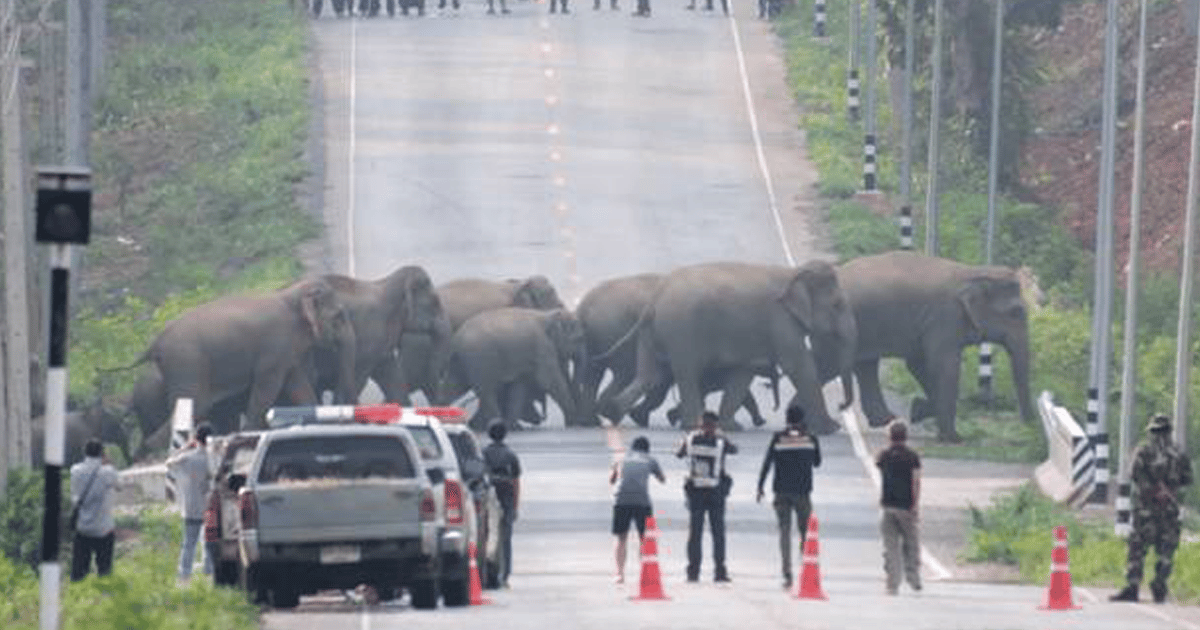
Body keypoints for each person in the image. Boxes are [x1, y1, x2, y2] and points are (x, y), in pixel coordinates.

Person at [1111, 414, 1194, 603]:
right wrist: (1170, 492)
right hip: (1169, 511)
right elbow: (1188, 481)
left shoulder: (1144, 451)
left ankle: (1133, 586)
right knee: (1166, 551)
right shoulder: (1179, 454)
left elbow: (1135, 475)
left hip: (1145, 510)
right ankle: (1159, 584)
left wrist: (1153, 491)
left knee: (1137, 548)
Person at [756, 405, 821, 589]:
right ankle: (805, 565)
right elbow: (817, 462)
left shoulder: (778, 438)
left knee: (784, 531)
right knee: (805, 533)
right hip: (802, 492)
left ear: (787, 418)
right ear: (802, 419)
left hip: (781, 492)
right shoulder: (811, 438)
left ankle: (787, 573)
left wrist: (760, 487)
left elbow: (767, 463)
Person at [676, 410, 738, 583]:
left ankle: (693, 572)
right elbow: (734, 450)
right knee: (718, 533)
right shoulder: (720, 441)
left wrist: (689, 437)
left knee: (695, 533)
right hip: (716, 492)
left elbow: (679, 454)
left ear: (700, 423)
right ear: (715, 425)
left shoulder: (689, 439)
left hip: (695, 492)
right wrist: (722, 436)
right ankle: (719, 572)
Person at [610, 435, 666, 583]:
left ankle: (619, 574)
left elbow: (612, 480)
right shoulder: (650, 459)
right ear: (647, 449)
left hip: (621, 501)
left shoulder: (621, 459)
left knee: (621, 538)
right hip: (642, 502)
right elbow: (662, 480)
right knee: (645, 539)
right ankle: (646, 574)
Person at [876, 420, 922, 595]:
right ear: (906, 436)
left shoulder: (883, 455)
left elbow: (880, 469)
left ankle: (892, 584)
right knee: (911, 543)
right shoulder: (912, 457)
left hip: (887, 504)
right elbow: (916, 481)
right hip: (906, 506)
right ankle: (913, 577)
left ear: (889, 436)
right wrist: (916, 504)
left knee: (890, 546)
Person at [165, 422, 214, 584]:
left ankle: (184, 574)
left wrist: (185, 447)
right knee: (208, 542)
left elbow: (169, 463)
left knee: (189, 543)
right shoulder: (213, 459)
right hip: (209, 507)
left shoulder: (188, 458)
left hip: (191, 507)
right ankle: (208, 572)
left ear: (196, 439)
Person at [70, 438, 120, 581]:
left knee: (79, 572)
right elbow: (120, 486)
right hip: (104, 529)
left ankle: (78, 596)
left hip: (83, 528)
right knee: (104, 570)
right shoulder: (108, 472)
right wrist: (109, 463)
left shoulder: (75, 470)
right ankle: (104, 594)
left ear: (84, 453)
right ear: (101, 453)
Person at [483, 420, 522, 588]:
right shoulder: (511, 455)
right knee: (505, 539)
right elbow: (516, 482)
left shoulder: (482, 454)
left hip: (487, 498)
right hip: (506, 498)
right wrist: (515, 506)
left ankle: (487, 571)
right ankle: (504, 576)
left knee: (487, 535)